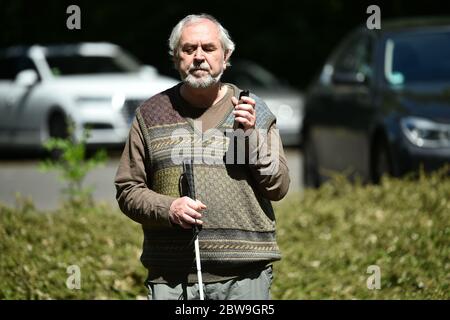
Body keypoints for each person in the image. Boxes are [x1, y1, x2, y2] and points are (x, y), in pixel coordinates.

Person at [114, 13, 290, 300]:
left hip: (244, 278)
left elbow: (278, 187)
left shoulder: (250, 108)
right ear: (175, 57)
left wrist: (250, 138)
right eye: (188, 49)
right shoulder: (150, 114)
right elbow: (127, 190)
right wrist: (168, 208)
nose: (198, 57)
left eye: (208, 48)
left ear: (226, 55)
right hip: (171, 280)